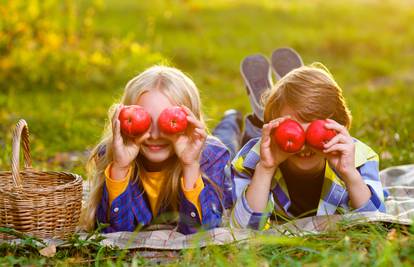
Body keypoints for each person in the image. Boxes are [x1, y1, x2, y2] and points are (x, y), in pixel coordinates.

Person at [81, 65, 233, 235]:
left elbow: (204, 232)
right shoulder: (114, 155)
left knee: (228, 138)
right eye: (145, 121)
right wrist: (121, 167)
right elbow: (112, 232)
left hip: (210, 147)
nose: (154, 135)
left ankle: (232, 118)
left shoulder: (211, 157)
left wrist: (190, 165)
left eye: (164, 122)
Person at [230, 65, 386, 230]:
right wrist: (265, 169)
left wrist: (350, 174)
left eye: (313, 131)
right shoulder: (252, 160)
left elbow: (377, 223)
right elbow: (242, 230)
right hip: (269, 147)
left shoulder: (360, 158)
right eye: (295, 128)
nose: (303, 145)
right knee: (229, 140)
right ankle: (233, 117)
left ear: (340, 127)